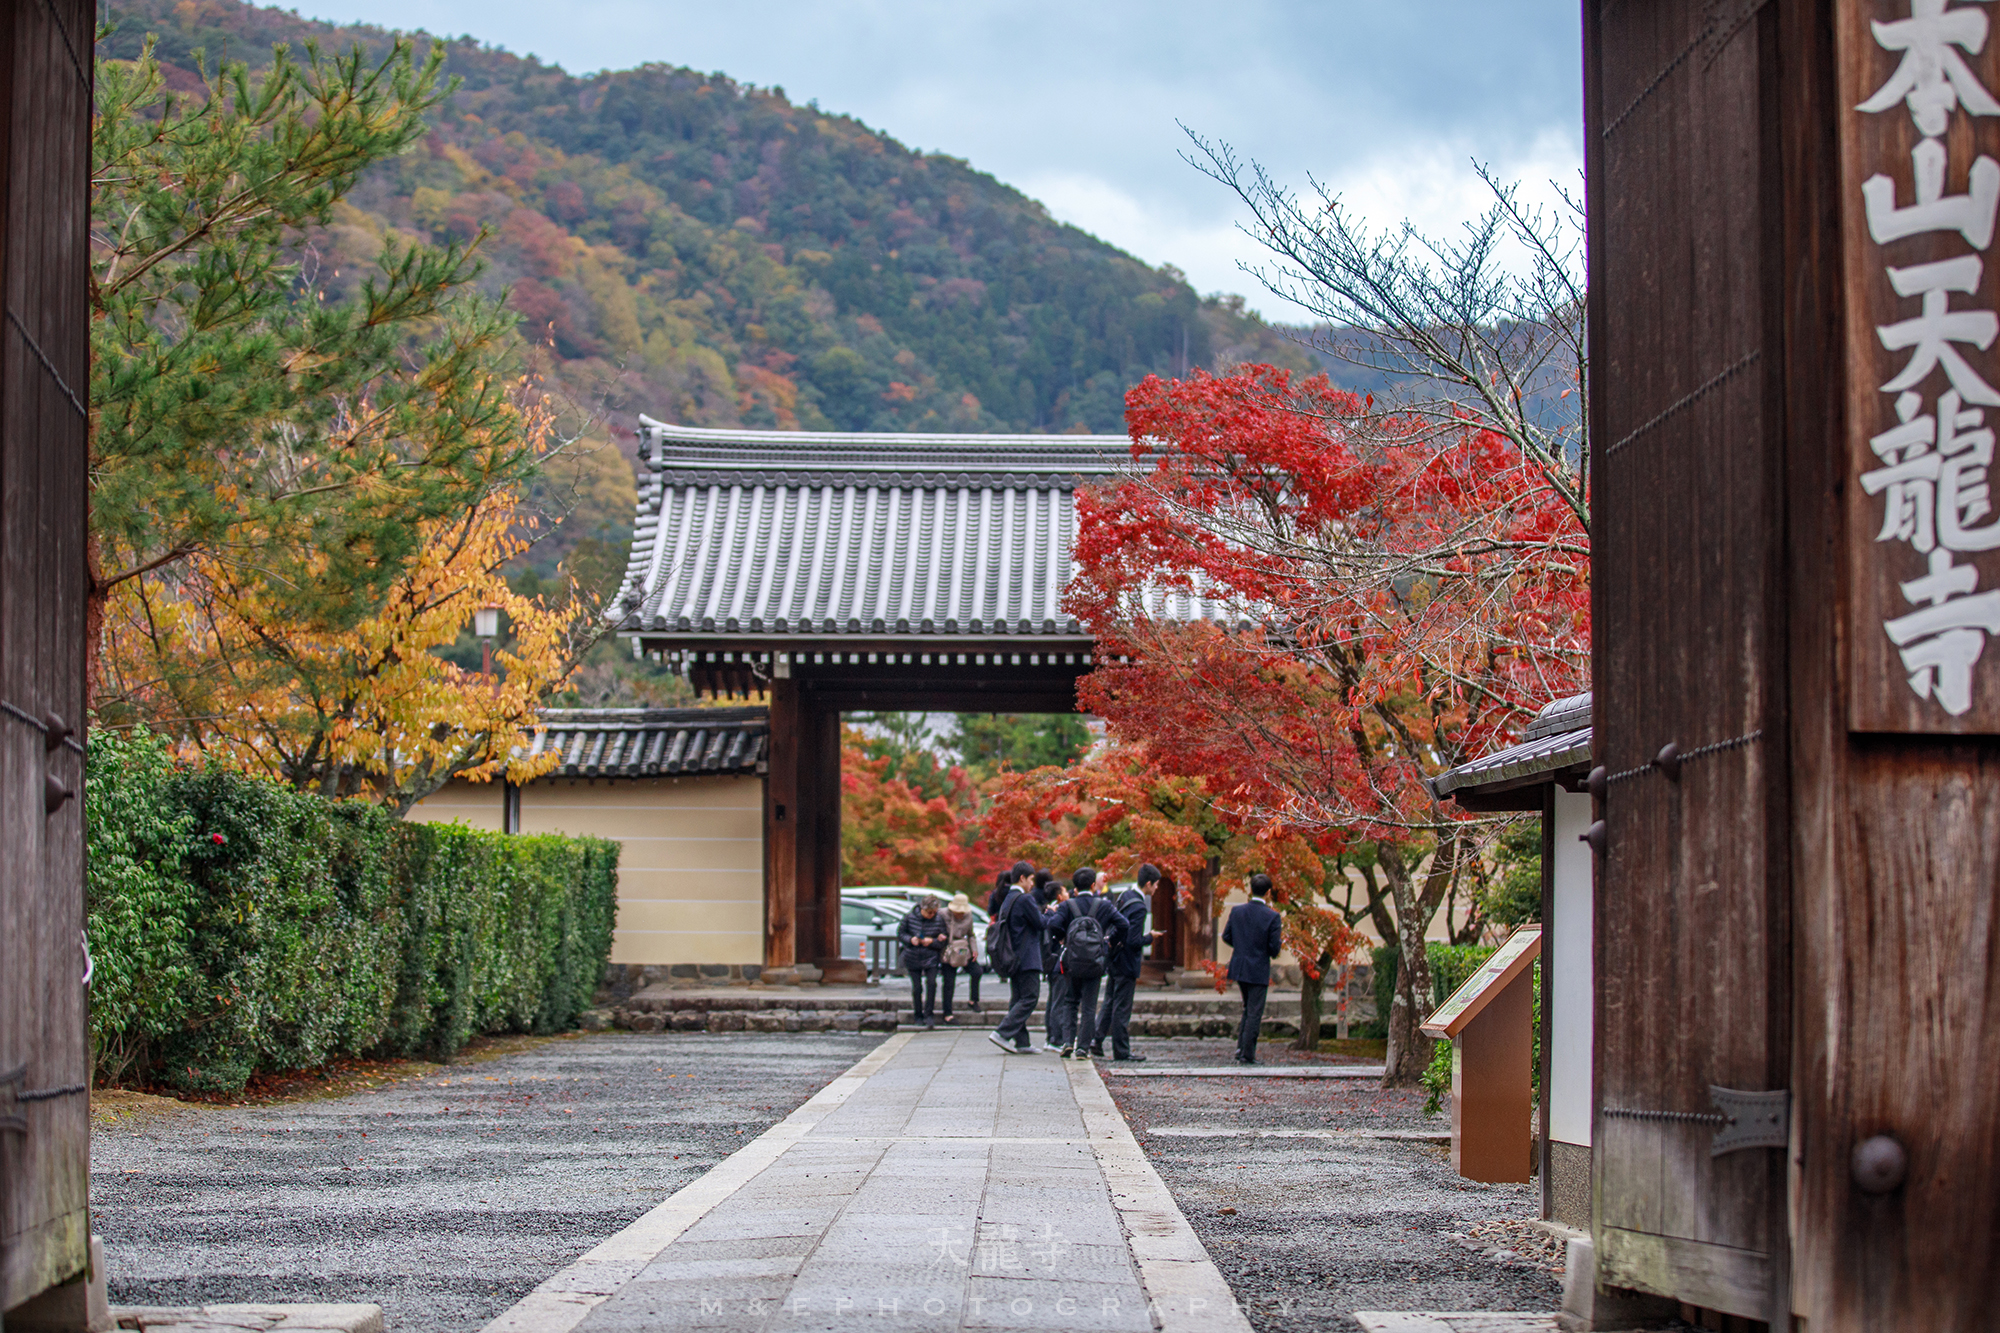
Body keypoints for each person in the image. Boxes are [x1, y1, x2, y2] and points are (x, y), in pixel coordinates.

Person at [1043, 867, 1126, 1059]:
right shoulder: (1104, 905)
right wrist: (1110, 941)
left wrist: (1063, 938)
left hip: (1071, 960)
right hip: (1095, 961)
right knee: (1089, 1006)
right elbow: (1123, 924)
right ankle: (1083, 1047)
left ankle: (1066, 1042)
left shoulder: (1067, 906)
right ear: (1092, 885)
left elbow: (1053, 924)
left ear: (1075, 887)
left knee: (1070, 1002)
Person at [1093, 865, 1160, 1061]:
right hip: (1127, 961)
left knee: (1109, 1003)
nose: (1156, 889)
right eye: (1155, 885)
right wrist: (1150, 937)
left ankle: (1096, 1041)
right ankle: (1121, 1050)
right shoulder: (1139, 906)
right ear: (1148, 884)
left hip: (1115, 957)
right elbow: (1133, 940)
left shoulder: (1125, 896)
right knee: (1122, 1006)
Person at [1222, 874, 1285, 1064]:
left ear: (1250, 890)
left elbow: (1226, 936)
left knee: (1247, 1009)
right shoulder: (1272, 916)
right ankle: (1247, 1054)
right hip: (1258, 967)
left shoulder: (1237, 911)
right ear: (1268, 892)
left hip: (1240, 965)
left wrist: (1241, 946)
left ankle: (1241, 1048)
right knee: (1255, 1011)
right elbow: (1274, 949)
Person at [987, 872, 1046, 1054]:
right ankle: (1002, 1033)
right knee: (1030, 997)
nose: (1032, 884)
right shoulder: (1025, 899)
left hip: (1012, 956)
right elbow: (1040, 923)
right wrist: (1051, 914)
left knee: (1018, 998)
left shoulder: (1007, 898)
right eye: (1030, 880)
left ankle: (1022, 1042)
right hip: (1027, 957)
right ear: (1022, 878)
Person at [897, 894, 949, 1029]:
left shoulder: (939, 919)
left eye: (934, 912)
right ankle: (918, 1014)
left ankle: (929, 1014)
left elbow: (944, 940)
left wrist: (932, 941)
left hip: (931, 955)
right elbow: (901, 933)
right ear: (922, 908)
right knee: (917, 988)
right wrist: (910, 939)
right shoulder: (909, 917)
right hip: (912, 955)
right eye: (929, 912)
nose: (931, 915)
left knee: (932, 984)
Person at [1037, 873, 1072, 1052]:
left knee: (1053, 999)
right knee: (1059, 999)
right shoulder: (1059, 911)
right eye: (1065, 891)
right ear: (1059, 895)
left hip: (1049, 960)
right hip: (1058, 960)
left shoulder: (1047, 910)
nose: (1068, 894)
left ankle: (1051, 1035)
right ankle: (1056, 1038)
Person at [940, 892, 983, 1021]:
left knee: (977, 971)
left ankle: (973, 1000)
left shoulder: (968, 916)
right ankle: (947, 1013)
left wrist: (974, 949)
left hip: (963, 948)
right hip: (949, 948)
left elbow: (971, 934)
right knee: (949, 981)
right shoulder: (943, 914)